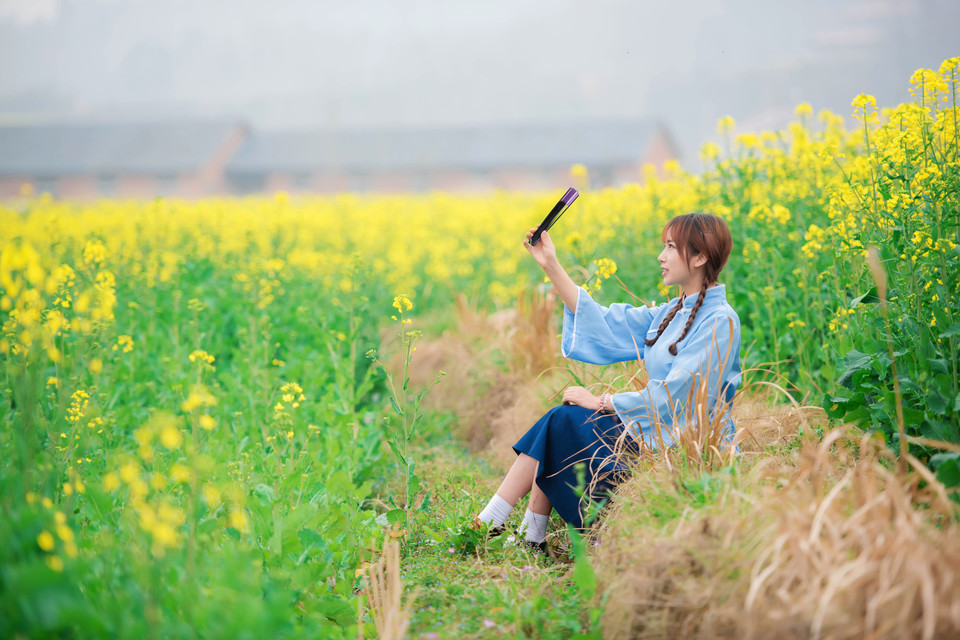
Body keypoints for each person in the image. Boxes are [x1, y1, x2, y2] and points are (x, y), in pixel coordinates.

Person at [473, 212, 742, 550]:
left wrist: (603, 402)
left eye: (671, 247)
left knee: (563, 421)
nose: (661, 256)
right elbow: (604, 322)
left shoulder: (719, 320)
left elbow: (675, 396)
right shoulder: (672, 312)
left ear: (700, 256)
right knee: (564, 418)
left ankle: (501, 525)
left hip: (679, 447)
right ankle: (521, 532)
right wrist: (550, 265)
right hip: (650, 431)